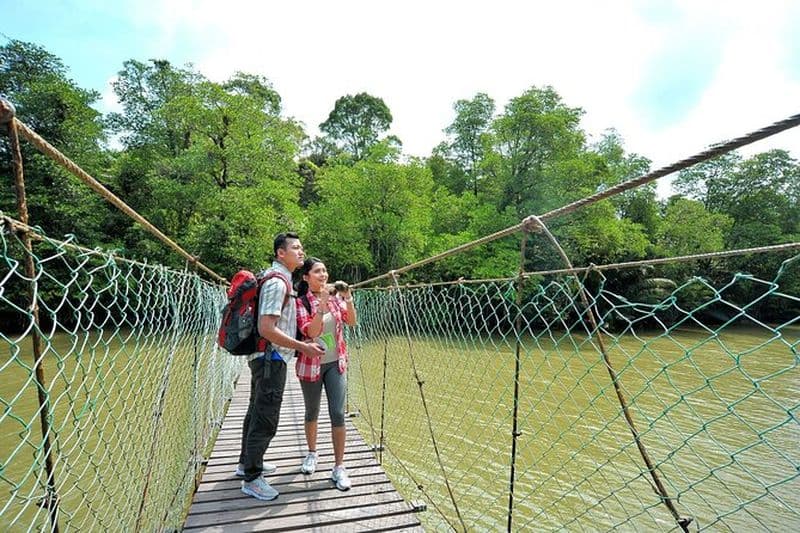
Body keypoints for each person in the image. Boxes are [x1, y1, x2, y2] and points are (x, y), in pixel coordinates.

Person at [238, 233, 326, 502]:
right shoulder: (277, 283)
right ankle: (253, 479)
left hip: (264, 357)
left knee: (255, 411)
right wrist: (304, 347)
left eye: (301, 248)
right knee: (266, 419)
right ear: (280, 254)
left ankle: (246, 464)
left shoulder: (278, 279)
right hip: (270, 358)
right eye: (296, 248)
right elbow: (267, 328)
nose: (301, 252)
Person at [294, 257, 357, 491]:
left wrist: (347, 297)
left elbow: (352, 322)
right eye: (317, 272)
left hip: (335, 363)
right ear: (306, 277)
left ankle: (339, 467)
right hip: (311, 364)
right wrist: (321, 305)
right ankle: (312, 453)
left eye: (325, 271)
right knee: (312, 411)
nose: (323, 275)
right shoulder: (301, 302)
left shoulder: (336, 299)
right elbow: (310, 331)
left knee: (338, 413)